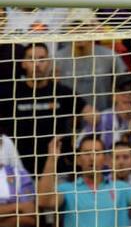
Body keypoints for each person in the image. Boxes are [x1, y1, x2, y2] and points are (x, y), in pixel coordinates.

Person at [37, 135, 131, 227]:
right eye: (87, 153)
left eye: (97, 153)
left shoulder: (121, 187)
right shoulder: (67, 189)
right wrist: (52, 159)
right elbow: (44, 201)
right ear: (78, 159)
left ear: (105, 159)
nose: (92, 158)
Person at [0, 43, 84, 178]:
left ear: (49, 62)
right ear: (23, 63)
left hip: (56, 170)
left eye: (41, 59)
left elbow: (90, 114)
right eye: (31, 59)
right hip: (18, 170)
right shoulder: (9, 92)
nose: (37, 64)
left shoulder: (62, 92)